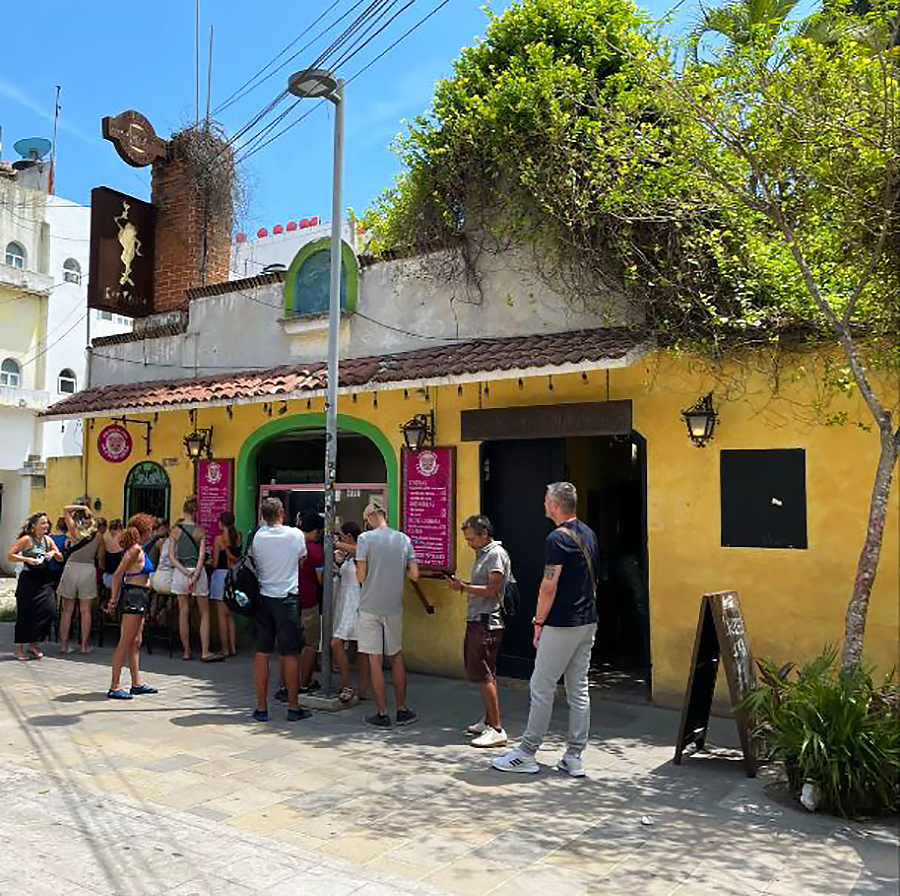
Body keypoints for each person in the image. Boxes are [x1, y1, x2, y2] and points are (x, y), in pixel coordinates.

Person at [492, 482, 599, 777]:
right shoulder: (588, 533)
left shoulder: (556, 539)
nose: (543, 505)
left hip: (562, 623)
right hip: (587, 620)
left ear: (554, 504)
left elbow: (549, 586)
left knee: (542, 687)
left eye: (545, 501)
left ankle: (527, 752)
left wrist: (538, 622)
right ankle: (574, 755)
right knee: (579, 689)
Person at [446, 515, 511, 748]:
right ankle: (488, 720)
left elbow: (492, 589)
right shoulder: (483, 554)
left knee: (484, 675)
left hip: (486, 622)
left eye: (472, 538)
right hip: (479, 619)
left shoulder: (494, 555)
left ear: (484, 533)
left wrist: (463, 587)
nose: (469, 543)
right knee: (487, 673)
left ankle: (497, 729)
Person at [356, 502, 419, 729]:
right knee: (397, 657)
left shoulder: (364, 539)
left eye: (366, 519)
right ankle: (402, 709)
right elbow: (414, 575)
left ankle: (382, 713)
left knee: (374, 659)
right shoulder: (403, 539)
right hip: (393, 606)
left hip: (369, 606)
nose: (367, 524)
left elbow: (361, 576)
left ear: (372, 516)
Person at [249, 497, 310, 722]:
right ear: (282, 513)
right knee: (290, 653)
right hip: (287, 599)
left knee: (262, 653)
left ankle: (262, 708)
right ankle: (293, 707)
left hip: (264, 598)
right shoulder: (295, 535)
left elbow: (254, 561)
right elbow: (302, 560)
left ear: (263, 515)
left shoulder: (258, 536)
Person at [106, 514, 158, 700]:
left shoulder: (140, 549)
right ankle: (114, 686)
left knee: (136, 641)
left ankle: (137, 683)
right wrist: (113, 599)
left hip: (140, 596)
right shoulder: (135, 549)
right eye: (151, 529)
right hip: (133, 596)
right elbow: (118, 574)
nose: (152, 532)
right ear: (145, 531)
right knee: (125, 642)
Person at [171, 496, 220, 662]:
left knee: (183, 613)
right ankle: (205, 651)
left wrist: (185, 572)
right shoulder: (200, 531)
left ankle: (186, 651)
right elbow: (201, 557)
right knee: (204, 613)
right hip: (198, 574)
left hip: (180, 573)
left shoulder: (175, 530)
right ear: (196, 512)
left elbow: (172, 557)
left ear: (184, 511)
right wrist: (195, 574)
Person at [8, 513, 63, 660]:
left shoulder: (48, 540)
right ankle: (19, 648)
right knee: (25, 614)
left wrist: (53, 553)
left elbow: (60, 557)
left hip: (43, 581)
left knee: (48, 611)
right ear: (34, 526)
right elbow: (10, 555)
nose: (46, 526)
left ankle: (33, 643)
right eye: (42, 523)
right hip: (28, 581)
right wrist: (27, 559)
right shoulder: (27, 539)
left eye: (47, 523)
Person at [331, 521, 371, 703]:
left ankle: (353, 686)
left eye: (342, 535)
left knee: (338, 643)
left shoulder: (361, 552)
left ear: (348, 536)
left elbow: (359, 553)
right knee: (356, 646)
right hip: (345, 600)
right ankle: (357, 686)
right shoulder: (347, 555)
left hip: (356, 602)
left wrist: (337, 544)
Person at [57, 504, 101, 654]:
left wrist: (81, 507)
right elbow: (100, 558)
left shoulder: (74, 532)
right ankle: (84, 646)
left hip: (71, 568)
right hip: (88, 569)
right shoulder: (98, 535)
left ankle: (64, 645)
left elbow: (65, 509)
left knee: (67, 611)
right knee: (86, 611)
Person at [298, 513, 325, 692]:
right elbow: (320, 579)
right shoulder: (316, 550)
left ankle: (286, 684)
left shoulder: (291, 544)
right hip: (309, 600)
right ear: (316, 530)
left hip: (288, 598)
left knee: (290, 644)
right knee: (311, 644)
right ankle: (303, 683)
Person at [209, 511, 240, 657]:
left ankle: (225, 649)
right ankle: (233, 648)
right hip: (234, 576)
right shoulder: (238, 537)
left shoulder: (218, 539)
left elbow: (215, 563)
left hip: (221, 576)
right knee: (231, 616)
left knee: (221, 616)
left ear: (222, 523)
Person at [100, 519, 124, 594]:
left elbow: (101, 557)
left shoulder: (105, 541)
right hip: (120, 577)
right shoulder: (123, 542)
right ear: (120, 529)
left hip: (107, 575)